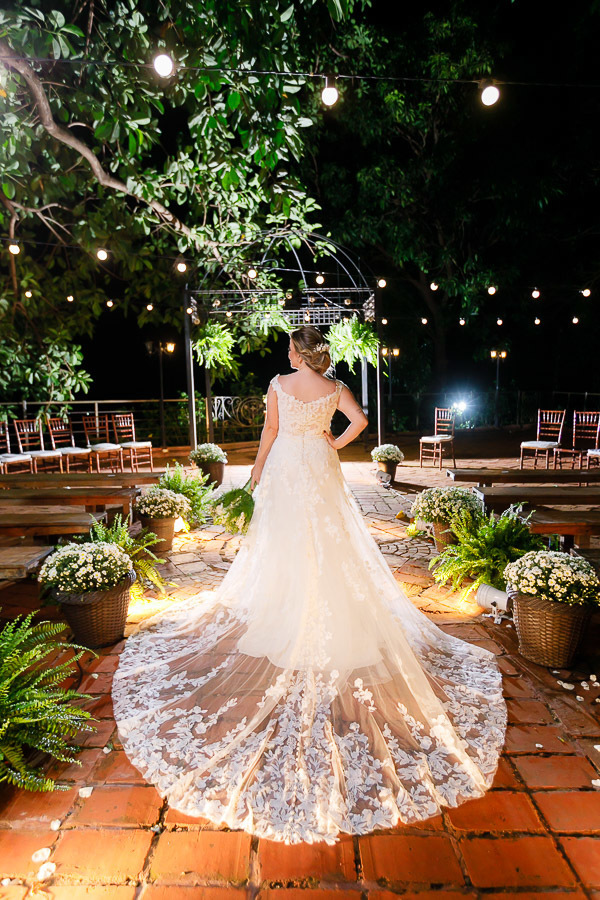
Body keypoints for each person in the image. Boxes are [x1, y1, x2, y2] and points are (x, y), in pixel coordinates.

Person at [113, 325, 506, 845]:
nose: (286, 352)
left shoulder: (278, 384)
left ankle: (288, 609)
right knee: (331, 542)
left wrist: (253, 479)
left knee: (284, 543)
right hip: (320, 467)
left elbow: (269, 435)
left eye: (290, 346)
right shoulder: (336, 387)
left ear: (298, 353)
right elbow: (361, 422)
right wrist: (334, 439)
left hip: (285, 470)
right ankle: (327, 608)